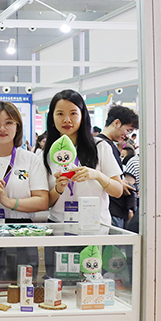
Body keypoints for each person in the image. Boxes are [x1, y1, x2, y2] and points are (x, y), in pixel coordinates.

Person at [43, 90, 123, 225]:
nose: (67, 120)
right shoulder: (46, 154)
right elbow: (46, 202)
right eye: (60, 114)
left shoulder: (100, 147)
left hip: (94, 225)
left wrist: (97, 175)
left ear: (82, 115)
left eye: (73, 113)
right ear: (52, 117)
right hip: (59, 224)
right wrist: (58, 189)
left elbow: (118, 191)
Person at [96, 105, 139, 228]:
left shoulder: (108, 145)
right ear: (116, 123)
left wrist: (119, 182)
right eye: (128, 130)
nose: (127, 136)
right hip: (111, 208)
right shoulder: (102, 145)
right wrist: (118, 183)